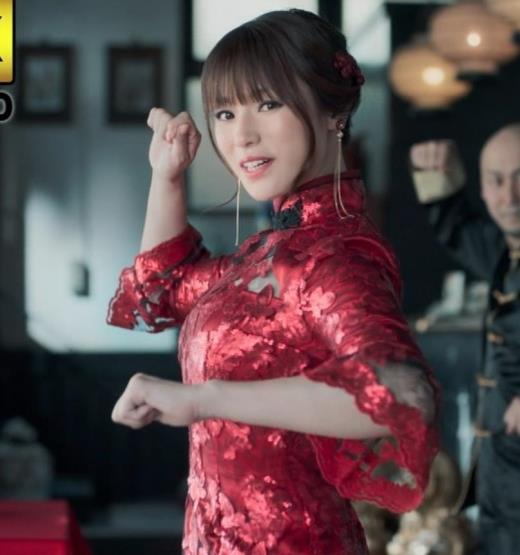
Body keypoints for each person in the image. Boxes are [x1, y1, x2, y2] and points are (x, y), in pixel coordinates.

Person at [107, 10, 439, 554]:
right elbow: (158, 295)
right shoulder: (266, 254)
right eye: (225, 112)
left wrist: (206, 399)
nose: (242, 136)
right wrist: (167, 176)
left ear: (333, 111)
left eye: (267, 104)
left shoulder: (334, 257)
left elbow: (401, 393)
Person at [410, 124, 520, 555]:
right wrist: (436, 177)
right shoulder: (504, 252)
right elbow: (460, 230)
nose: (510, 196)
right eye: (496, 180)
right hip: (500, 468)